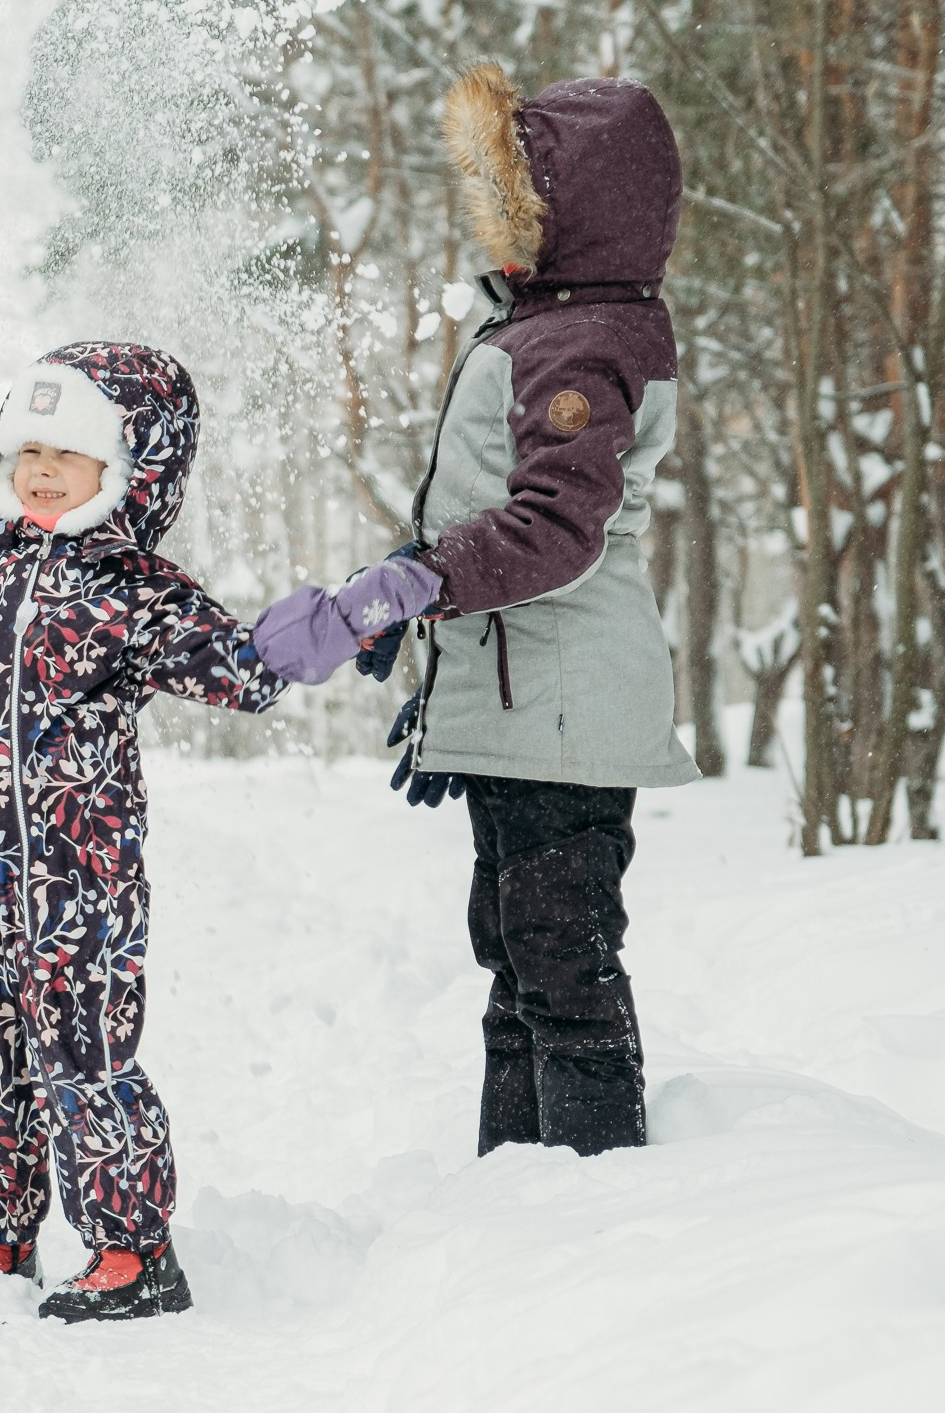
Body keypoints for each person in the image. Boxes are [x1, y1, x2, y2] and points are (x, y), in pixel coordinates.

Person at [0, 342, 396, 1322]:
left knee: (86, 1057)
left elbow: (244, 667)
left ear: (123, 475)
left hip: (79, 879)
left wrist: (344, 619)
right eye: (25, 448)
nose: (38, 468)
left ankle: (133, 1251)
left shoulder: (133, 594)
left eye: (66, 454)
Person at [259, 63, 696, 1157]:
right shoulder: (545, 328)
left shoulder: (581, 345)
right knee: (514, 959)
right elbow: (496, 523)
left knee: (560, 967)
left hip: (566, 708)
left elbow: (557, 527)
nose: (492, 229)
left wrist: (413, 581)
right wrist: (447, 675)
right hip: (527, 702)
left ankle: (594, 1208)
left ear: (571, 213)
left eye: (510, 203)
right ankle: (516, 1207)